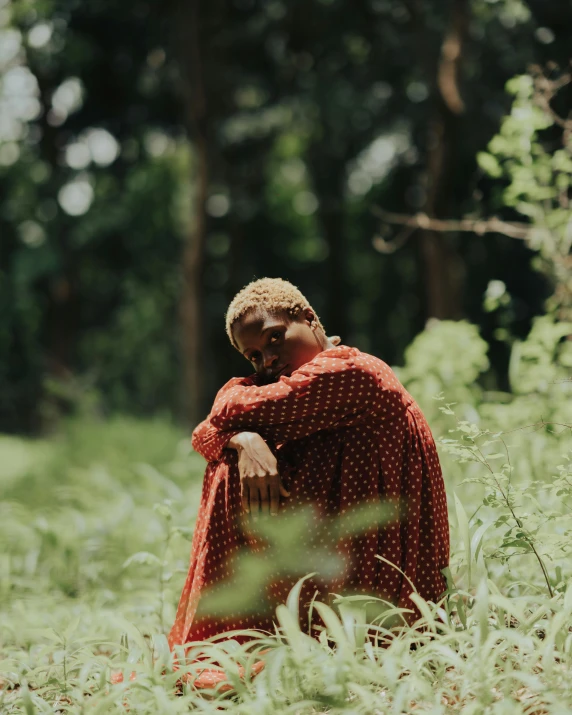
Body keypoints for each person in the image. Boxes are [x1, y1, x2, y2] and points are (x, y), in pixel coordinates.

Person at [168, 278, 449, 652]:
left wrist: (237, 432)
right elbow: (206, 433)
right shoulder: (304, 384)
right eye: (253, 356)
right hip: (341, 532)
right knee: (233, 460)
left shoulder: (350, 373)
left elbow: (226, 411)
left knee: (229, 468)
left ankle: (241, 636)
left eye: (274, 338)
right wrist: (244, 440)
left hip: (380, 552)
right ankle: (247, 634)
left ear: (309, 318)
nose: (268, 359)